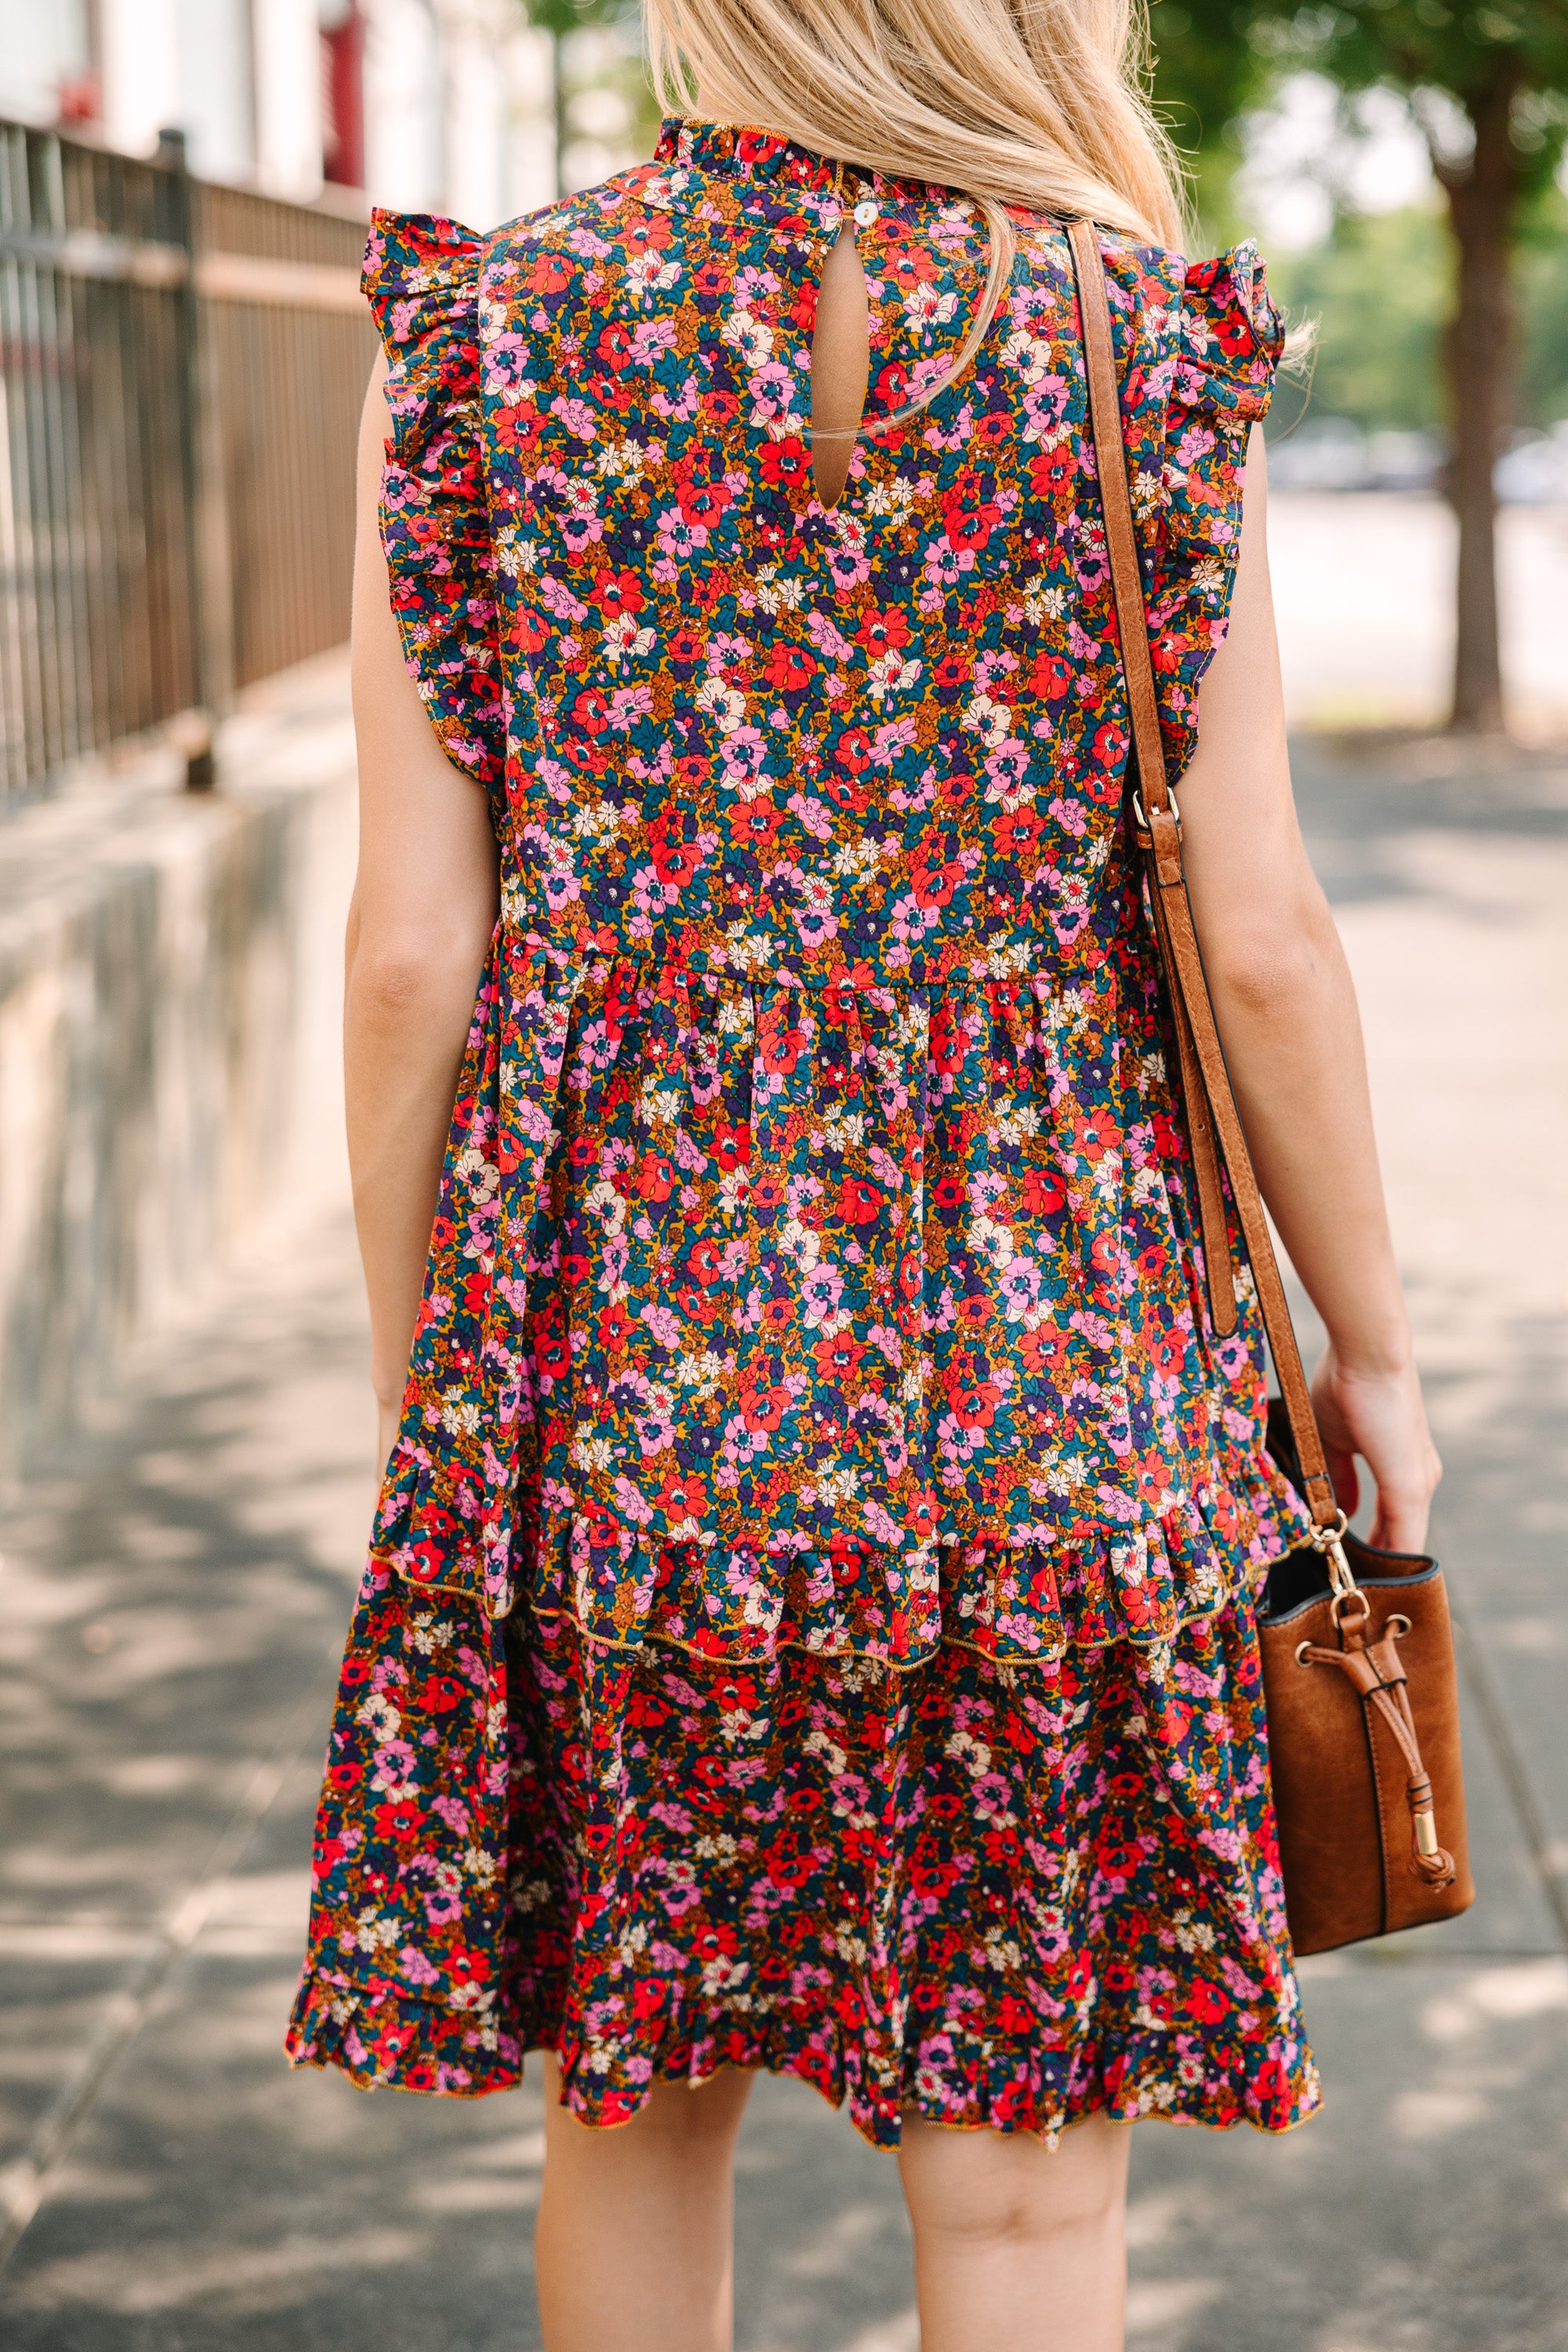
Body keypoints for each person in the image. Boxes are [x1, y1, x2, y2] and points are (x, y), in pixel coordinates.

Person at [286, 0, 1441, 2343]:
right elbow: (1262, 947)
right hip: (1059, 1386)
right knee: (1022, 2204)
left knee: (638, 2110)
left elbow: (416, 956)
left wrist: (440, 1388)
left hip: (631, 1399)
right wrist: (1377, 1352)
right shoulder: (1133, 353)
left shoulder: (486, 344)